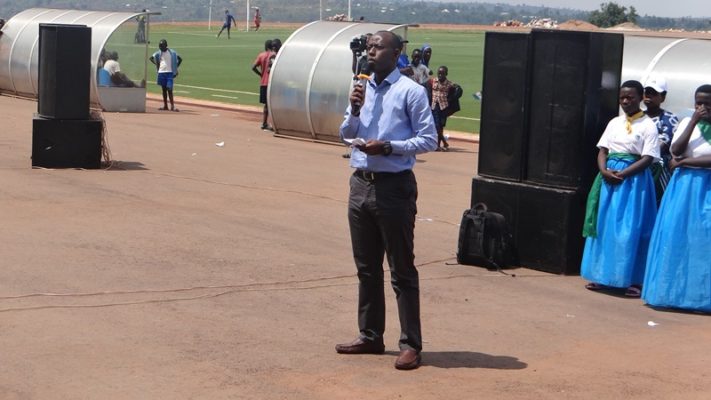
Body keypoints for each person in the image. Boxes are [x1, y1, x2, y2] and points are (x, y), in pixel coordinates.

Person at [336, 31, 437, 371]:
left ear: (396, 54)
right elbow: (345, 134)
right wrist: (354, 109)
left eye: (378, 47)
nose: (370, 52)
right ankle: (370, 335)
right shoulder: (360, 87)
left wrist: (390, 147)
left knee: (401, 269)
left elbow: (428, 139)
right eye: (368, 47)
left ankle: (410, 344)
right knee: (366, 268)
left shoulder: (411, 91)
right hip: (360, 184)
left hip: (394, 187)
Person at [581, 80, 660, 298]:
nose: (625, 101)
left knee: (630, 229)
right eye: (622, 98)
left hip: (633, 182)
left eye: (630, 98)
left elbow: (648, 158)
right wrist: (604, 171)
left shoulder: (648, 125)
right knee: (604, 226)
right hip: (609, 179)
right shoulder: (614, 123)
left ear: (640, 98)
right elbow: (603, 150)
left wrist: (623, 174)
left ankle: (632, 279)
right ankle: (601, 275)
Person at [642, 84, 711, 312]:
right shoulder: (686, 123)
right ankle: (672, 294)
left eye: (708, 103)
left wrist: (685, 162)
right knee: (678, 237)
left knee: (704, 240)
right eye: (699, 103)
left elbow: (682, 159)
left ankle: (702, 298)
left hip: (706, 185)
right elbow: (677, 150)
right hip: (684, 188)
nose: (703, 107)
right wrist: (693, 122)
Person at [643, 75, 679, 204]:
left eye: (654, 93)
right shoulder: (638, 116)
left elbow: (661, 145)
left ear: (663, 97)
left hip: (658, 166)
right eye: (647, 92)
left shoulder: (669, 118)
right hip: (638, 163)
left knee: (658, 200)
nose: (648, 96)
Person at [424, 66, 462, 151]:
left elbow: (459, 90)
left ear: (446, 74)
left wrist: (451, 98)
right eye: (439, 73)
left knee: (440, 126)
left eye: (442, 73)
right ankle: (441, 143)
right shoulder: (432, 81)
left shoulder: (449, 84)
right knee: (436, 126)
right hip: (434, 106)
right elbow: (424, 85)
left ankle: (439, 144)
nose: (440, 75)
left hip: (444, 107)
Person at [149, 39, 183, 112]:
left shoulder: (172, 52)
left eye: (162, 46)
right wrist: (157, 64)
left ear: (166, 46)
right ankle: (165, 106)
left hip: (169, 73)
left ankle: (172, 106)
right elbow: (151, 58)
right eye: (160, 46)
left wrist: (175, 68)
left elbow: (180, 59)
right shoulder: (158, 53)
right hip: (161, 72)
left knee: (169, 89)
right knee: (164, 90)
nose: (161, 48)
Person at [252, 39, 275, 130]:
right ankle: (271, 124)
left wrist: (260, 74)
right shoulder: (273, 55)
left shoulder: (261, 55)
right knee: (271, 104)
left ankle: (264, 123)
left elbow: (253, 67)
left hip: (263, 83)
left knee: (266, 104)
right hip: (271, 83)